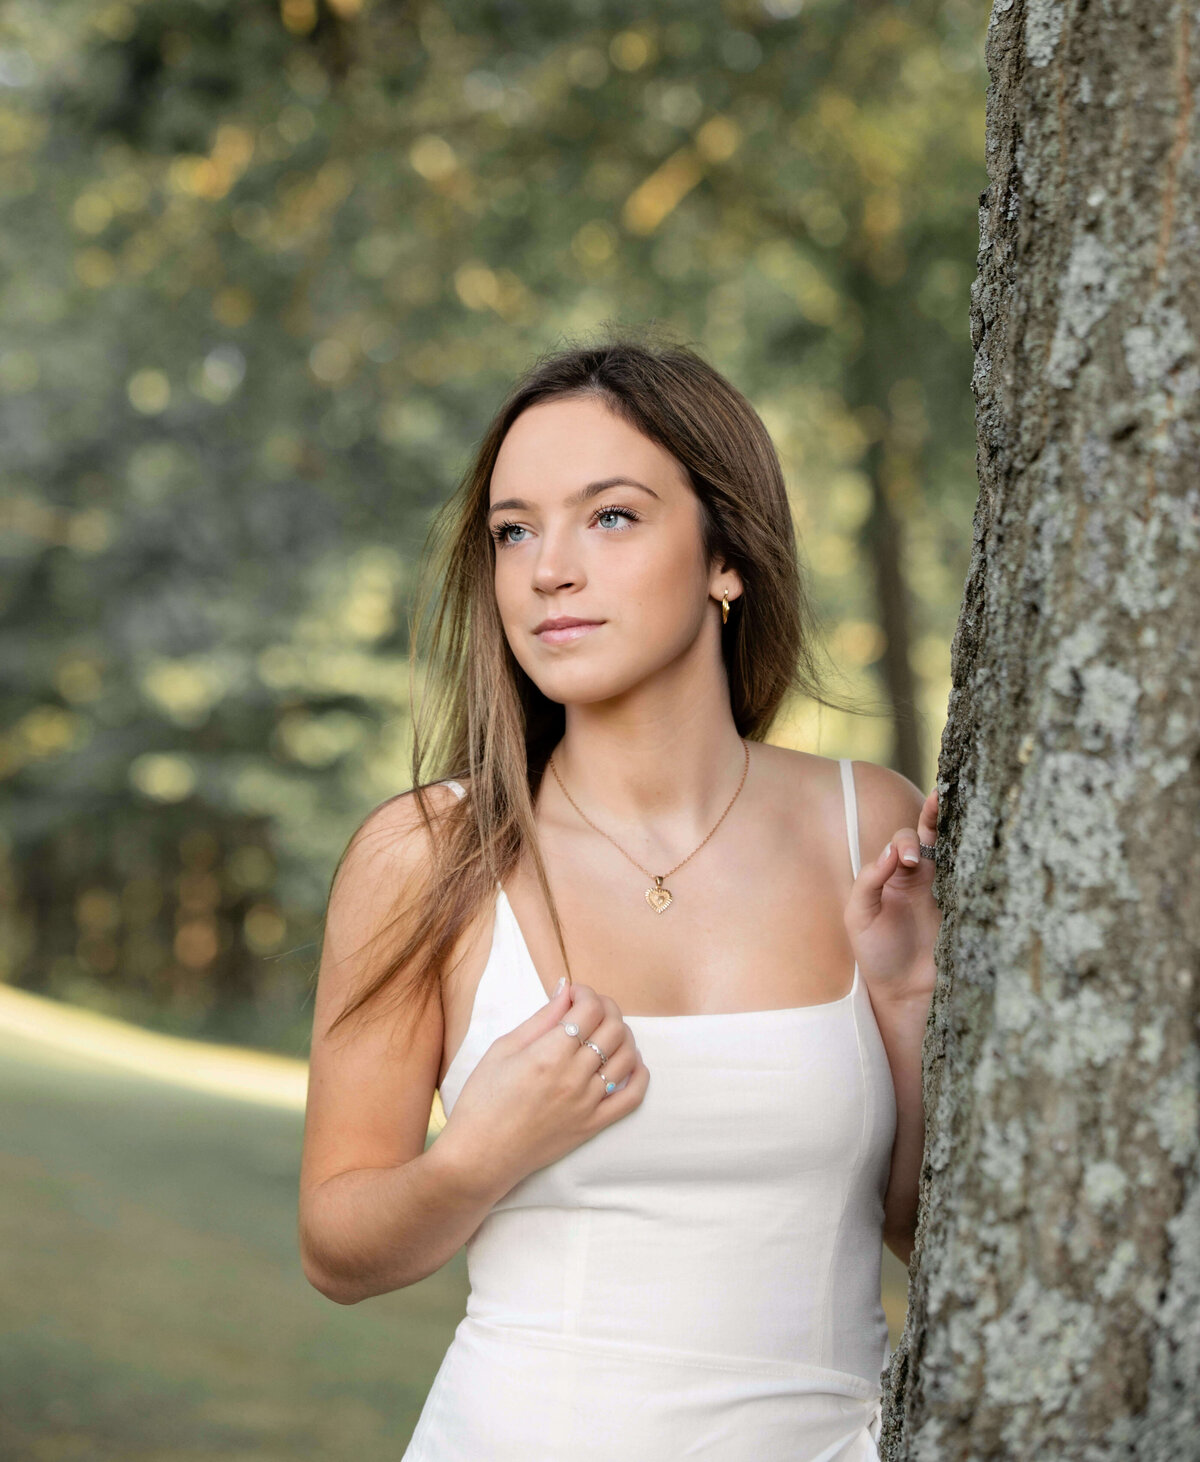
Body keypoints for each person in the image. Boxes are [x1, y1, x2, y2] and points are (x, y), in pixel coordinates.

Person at [298, 332, 941, 1460]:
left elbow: (933, 1232)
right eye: (514, 530)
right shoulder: (427, 855)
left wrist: (909, 1000)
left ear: (726, 556)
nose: (548, 568)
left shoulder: (871, 824)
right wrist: (477, 1154)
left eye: (610, 516)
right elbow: (338, 1249)